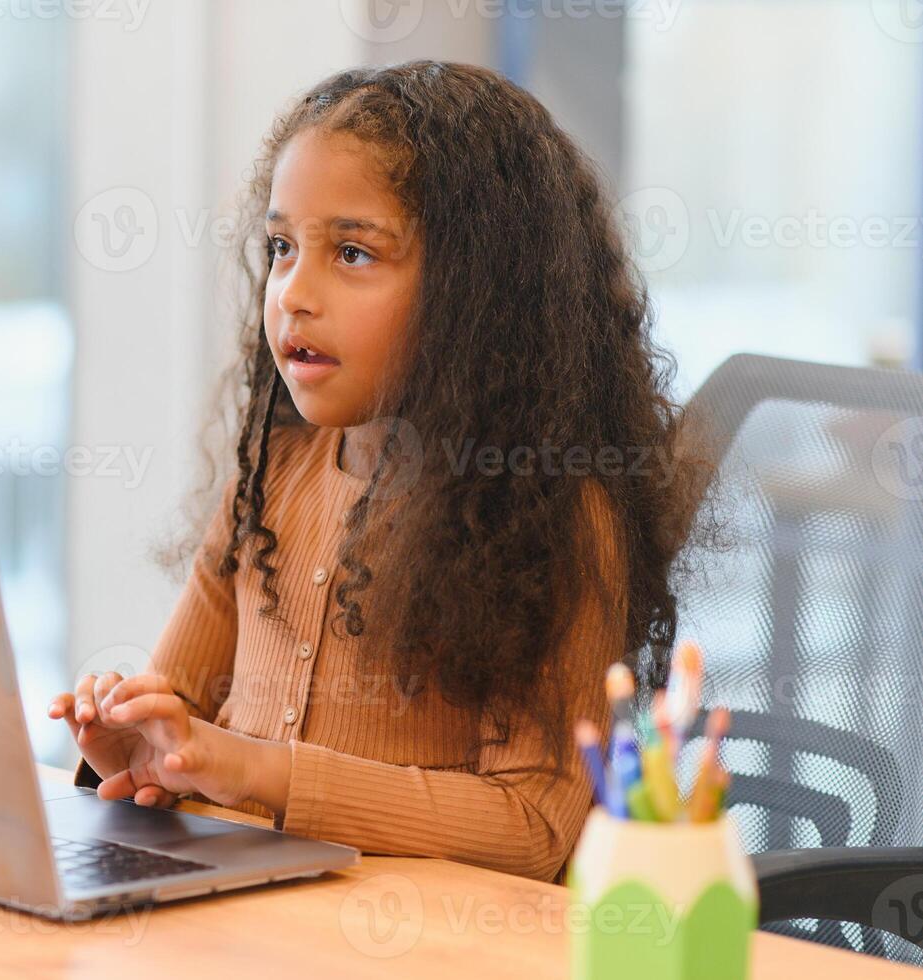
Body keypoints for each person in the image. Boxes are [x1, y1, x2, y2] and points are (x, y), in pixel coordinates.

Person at [48, 60, 710, 882]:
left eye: (353, 252)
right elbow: (182, 706)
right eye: (282, 247)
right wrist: (140, 741)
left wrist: (256, 770)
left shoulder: (555, 514)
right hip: (249, 918)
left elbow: (534, 824)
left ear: (477, 291)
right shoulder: (269, 473)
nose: (292, 292)